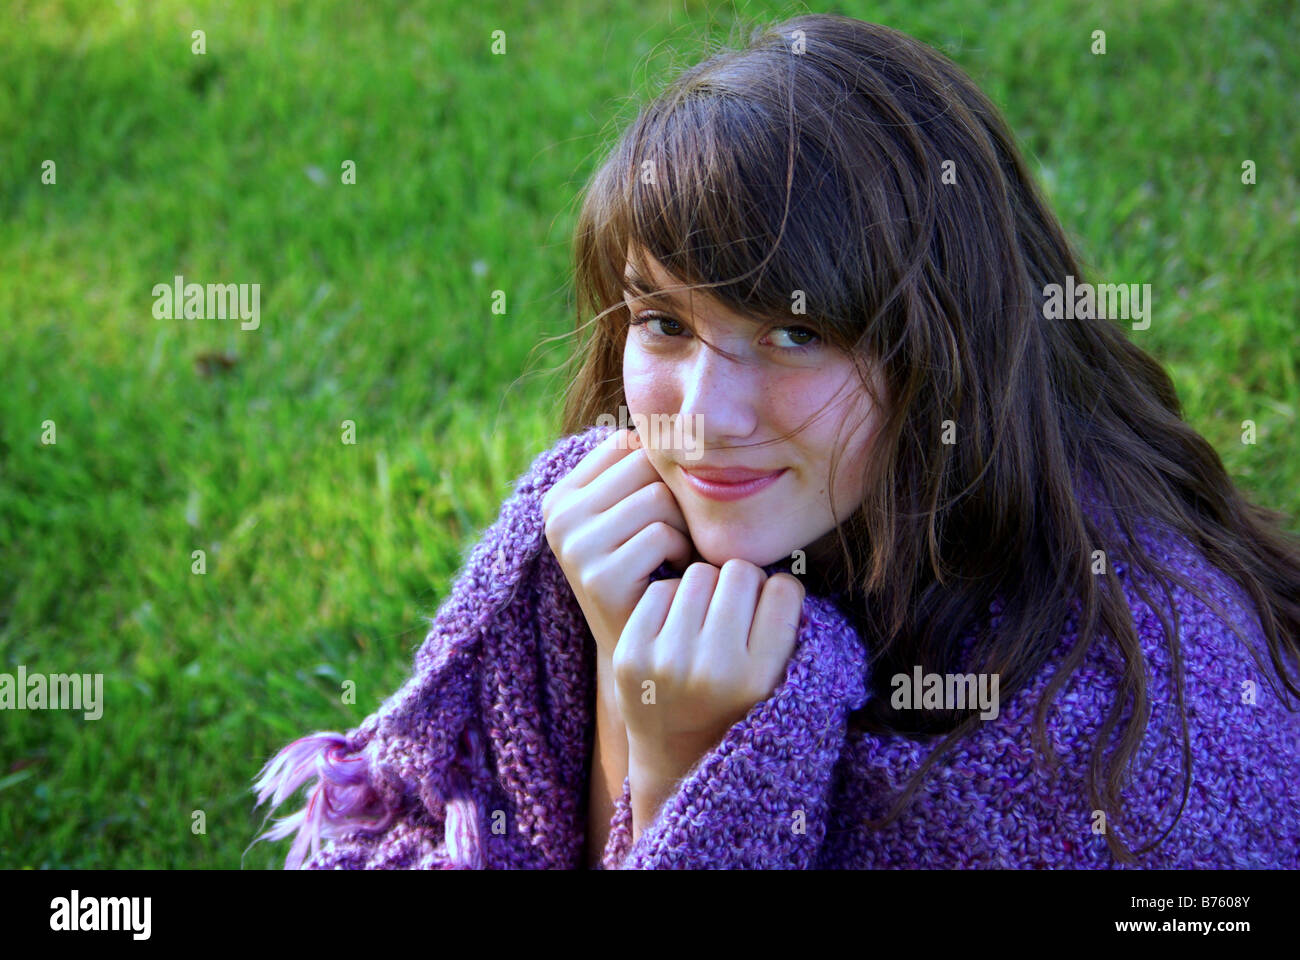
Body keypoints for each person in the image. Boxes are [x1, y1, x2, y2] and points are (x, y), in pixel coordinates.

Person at [250, 14, 1300, 869]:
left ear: (946, 351)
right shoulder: (617, 539)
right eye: (664, 323)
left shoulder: (1092, 761)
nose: (703, 419)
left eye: (796, 334)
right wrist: (628, 690)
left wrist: (680, 772)